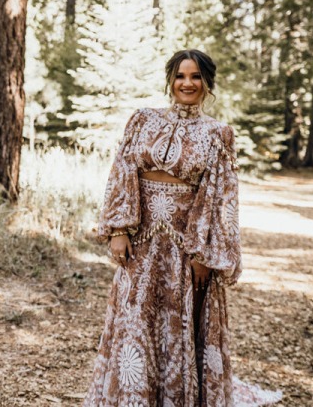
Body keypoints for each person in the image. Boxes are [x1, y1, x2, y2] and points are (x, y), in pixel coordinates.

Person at [83, 50, 242, 406]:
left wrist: (205, 253)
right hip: (141, 244)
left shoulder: (218, 134)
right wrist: (119, 229)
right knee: (134, 321)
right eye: (180, 76)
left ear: (207, 83)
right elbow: (123, 169)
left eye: (196, 76)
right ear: (170, 80)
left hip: (186, 250)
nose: (188, 83)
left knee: (179, 327)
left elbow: (221, 196)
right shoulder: (143, 120)